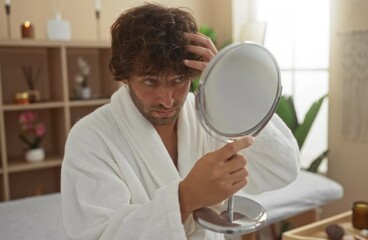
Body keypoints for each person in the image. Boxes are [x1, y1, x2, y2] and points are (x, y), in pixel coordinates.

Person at [61, 3, 300, 240]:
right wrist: (185, 198)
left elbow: (284, 168)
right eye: (149, 82)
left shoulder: (210, 115)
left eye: (178, 80)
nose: (167, 100)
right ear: (125, 77)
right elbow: (100, 235)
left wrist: (227, 84)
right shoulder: (90, 137)